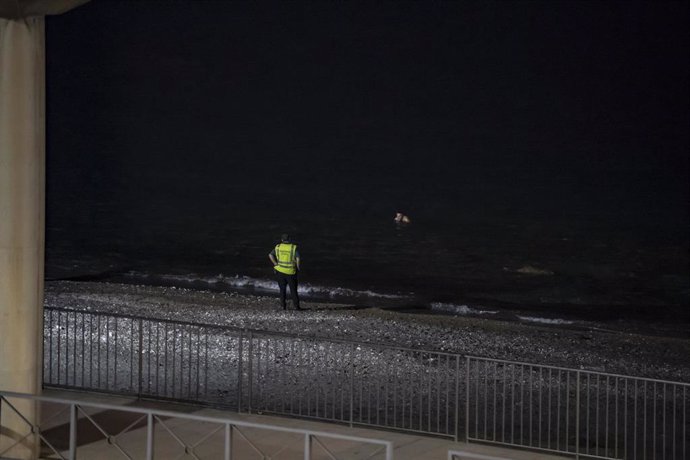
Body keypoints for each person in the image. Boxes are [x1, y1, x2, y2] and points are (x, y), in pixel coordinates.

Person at [268, 234, 301, 310]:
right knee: (293, 290)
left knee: (282, 289)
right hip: (291, 272)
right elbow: (298, 258)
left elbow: (270, 255)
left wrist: (275, 263)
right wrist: (298, 267)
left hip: (280, 271)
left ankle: (283, 306)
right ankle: (296, 306)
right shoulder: (293, 247)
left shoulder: (278, 247)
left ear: (282, 240)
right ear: (289, 239)